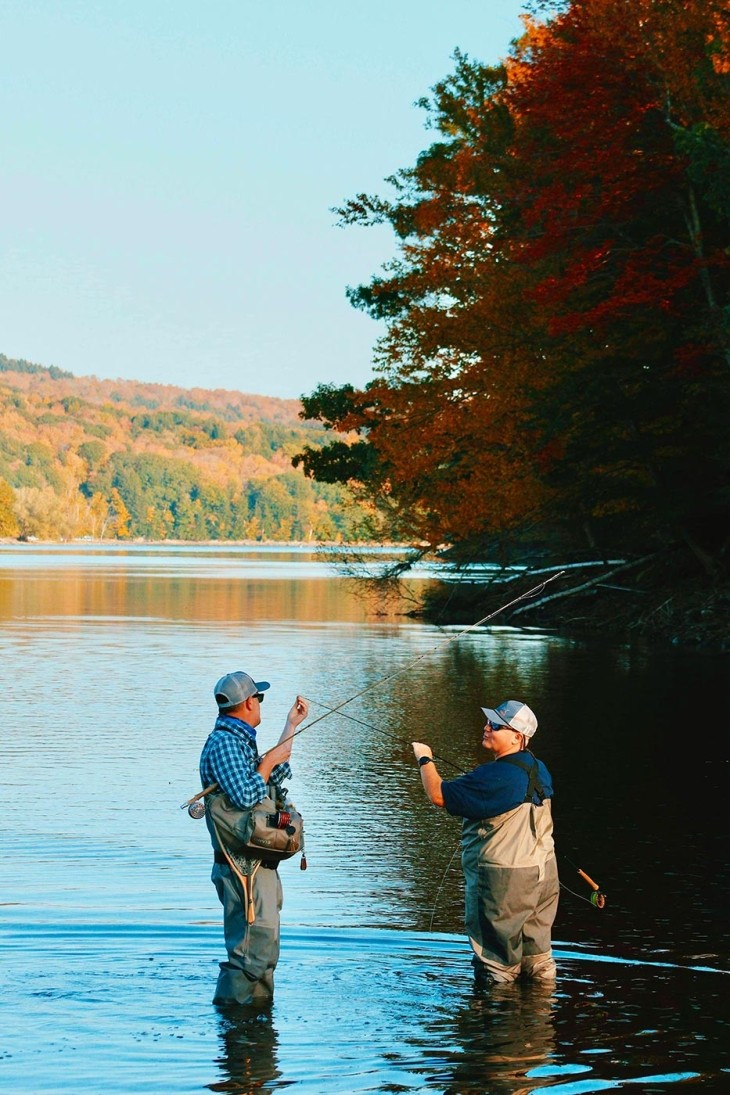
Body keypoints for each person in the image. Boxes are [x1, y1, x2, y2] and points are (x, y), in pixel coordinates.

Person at [412, 699, 558, 986]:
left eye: (495, 725)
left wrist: (424, 758)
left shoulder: (494, 776)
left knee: (496, 965)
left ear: (518, 737)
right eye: (489, 722)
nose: (486, 727)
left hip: (503, 882)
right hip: (543, 876)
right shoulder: (539, 769)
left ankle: (496, 1025)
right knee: (538, 959)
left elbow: (438, 795)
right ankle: (541, 1021)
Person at [199, 669, 309, 1007]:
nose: (260, 703)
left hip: (257, 865)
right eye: (258, 698)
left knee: (264, 952)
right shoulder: (224, 745)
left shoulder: (241, 742)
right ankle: (236, 1029)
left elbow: (276, 770)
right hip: (241, 869)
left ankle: (257, 1029)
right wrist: (270, 759)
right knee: (249, 956)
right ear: (249, 702)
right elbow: (247, 795)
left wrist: (291, 726)